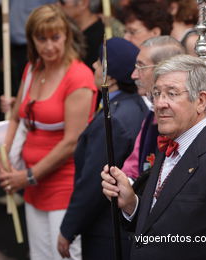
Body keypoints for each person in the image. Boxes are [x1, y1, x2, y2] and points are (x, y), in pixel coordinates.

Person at [101, 54, 206, 260]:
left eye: (172, 94)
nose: (160, 103)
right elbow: (162, 225)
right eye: (156, 94)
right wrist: (131, 204)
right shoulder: (173, 140)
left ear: (201, 100)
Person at [0, 5, 98, 260]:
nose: (49, 46)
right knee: (39, 256)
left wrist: (28, 176)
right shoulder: (33, 68)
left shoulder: (79, 77)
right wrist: (4, 155)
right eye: (41, 39)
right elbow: (17, 117)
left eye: (55, 37)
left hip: (64, 184)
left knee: (64, 255)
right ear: (31, 40)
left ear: (67, 36)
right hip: (32, 182)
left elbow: (71, 142)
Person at [58, 37, 148, 260]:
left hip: (108, 231)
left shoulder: (114, 120)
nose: (94, 65)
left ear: (112, 76)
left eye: (99, 61)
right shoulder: (134, 105)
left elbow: (92, 181)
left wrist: (68, 229)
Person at [122, 35, 185, 180]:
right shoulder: (151, 114)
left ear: (164, 69)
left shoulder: (193, 117)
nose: (134, 75)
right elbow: (133, 167)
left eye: (141, 67)